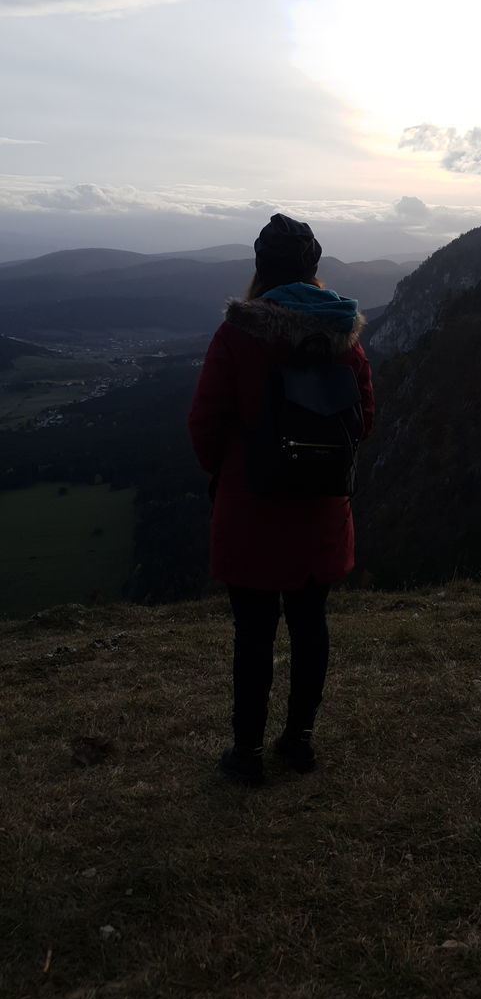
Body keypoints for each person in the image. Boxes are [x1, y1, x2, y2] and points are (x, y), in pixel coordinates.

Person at [187, 213, 374, 786]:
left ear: (260, 268)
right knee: (310, 623)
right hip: (319, 506)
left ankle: (245, 755)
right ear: (314, 269)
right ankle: (298, 743)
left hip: (254, 508)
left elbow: (205, 423)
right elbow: (362, 420)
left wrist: (230, 471)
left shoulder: (239, 332)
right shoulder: (344, 334)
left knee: (254, 632)